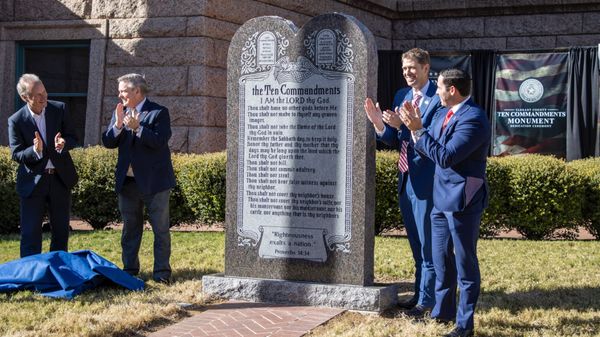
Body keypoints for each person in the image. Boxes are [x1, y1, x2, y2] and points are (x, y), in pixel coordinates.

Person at [399, 68, 490, 337]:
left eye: (438, 87)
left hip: (463, 199)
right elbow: (428, 147)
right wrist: (415, 131)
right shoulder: (440, 113)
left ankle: (464, 325)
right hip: (440, 198)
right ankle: (442, 313)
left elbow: (447, 156)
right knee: (440, 260)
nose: (435, 91)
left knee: (465, 265)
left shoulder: (473, 119)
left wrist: (419, 131)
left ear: (452, 90)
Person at [364, 48, 442, 316]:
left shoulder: (438, 99)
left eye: (412, 68)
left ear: (425, 69)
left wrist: (404, 126)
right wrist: (380, 126)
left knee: (429, 245)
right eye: (404, 68)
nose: (408, 73)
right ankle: (420, 294)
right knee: (416, 244)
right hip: (406, 179)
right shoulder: (402, 96)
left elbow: (432, 141)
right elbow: (397, 141)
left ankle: (428, 302)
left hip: (428, 182)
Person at [102, 73, 176, 284]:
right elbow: (108, 142)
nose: (120, 94)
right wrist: (117, 126)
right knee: (130, 229)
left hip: (155, 183)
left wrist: (138, 128)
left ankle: (162, 273)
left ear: (137, 91)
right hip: (128, 183)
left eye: (124, 90)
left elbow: (160, 141)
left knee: (160, 230)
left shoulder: (159, 112)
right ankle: (130, 270)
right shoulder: (120, 112)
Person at [8, 74, 79, 257]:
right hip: (33, 183)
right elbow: (16, 153)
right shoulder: (16, 120)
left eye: (44, 91)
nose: (43, 97)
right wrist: (35, 150)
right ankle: (31, 273)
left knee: (61, 231)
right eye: (37, 95)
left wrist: (64, 143)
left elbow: (73, 137)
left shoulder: (59, 109)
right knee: (30, 232)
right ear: (25, 97)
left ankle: (58, 270)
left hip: (59, 179)